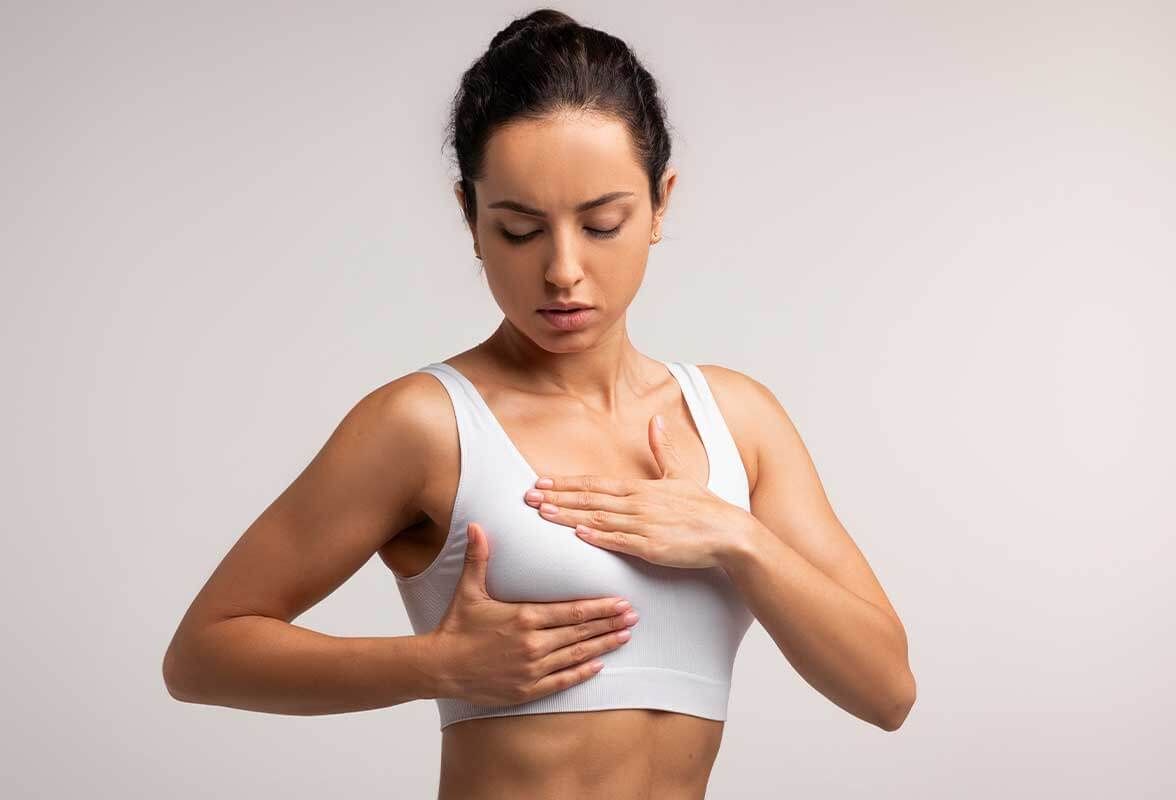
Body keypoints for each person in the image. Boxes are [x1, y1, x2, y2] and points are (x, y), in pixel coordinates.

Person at [162, 9, 915, 799]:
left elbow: (887, 691)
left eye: (602, 224)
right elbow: (203, 656)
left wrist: (733, 537)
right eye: (520, 230)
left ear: (660, 204)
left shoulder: (737, 421)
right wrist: (438, 665)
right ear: (470, 218)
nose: (563, 270)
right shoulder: (425, 425)